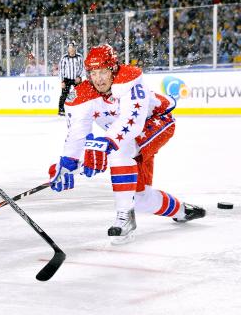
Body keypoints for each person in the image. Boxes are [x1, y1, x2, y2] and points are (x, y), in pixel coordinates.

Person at [49, 44, 205, 244]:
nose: (99, 78)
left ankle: (124, 217)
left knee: (119, 150)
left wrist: (105, 144)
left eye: (103, 71)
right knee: (140, 199)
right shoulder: (84, 94)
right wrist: (67, 164)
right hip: (128, 139)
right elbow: (77, 133)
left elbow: (131, 123)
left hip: (159, 123)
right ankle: (184, 211)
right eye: (94, 73)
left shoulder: (130, 82)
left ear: (113, 68)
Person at [57, 41, 84, 116]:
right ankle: (61, 110)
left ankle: (80, 109)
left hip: (77, 79)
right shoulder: (64, 58)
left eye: (72, 48)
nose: (71, 49)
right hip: (67, 79)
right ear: (68, 49)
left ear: (75, 48)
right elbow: (61, 70)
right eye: (70, 48)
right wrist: (62, 81)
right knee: (64, 95)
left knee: (79, 94)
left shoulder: (79, 57)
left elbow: (82, 68)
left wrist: (79, 76)